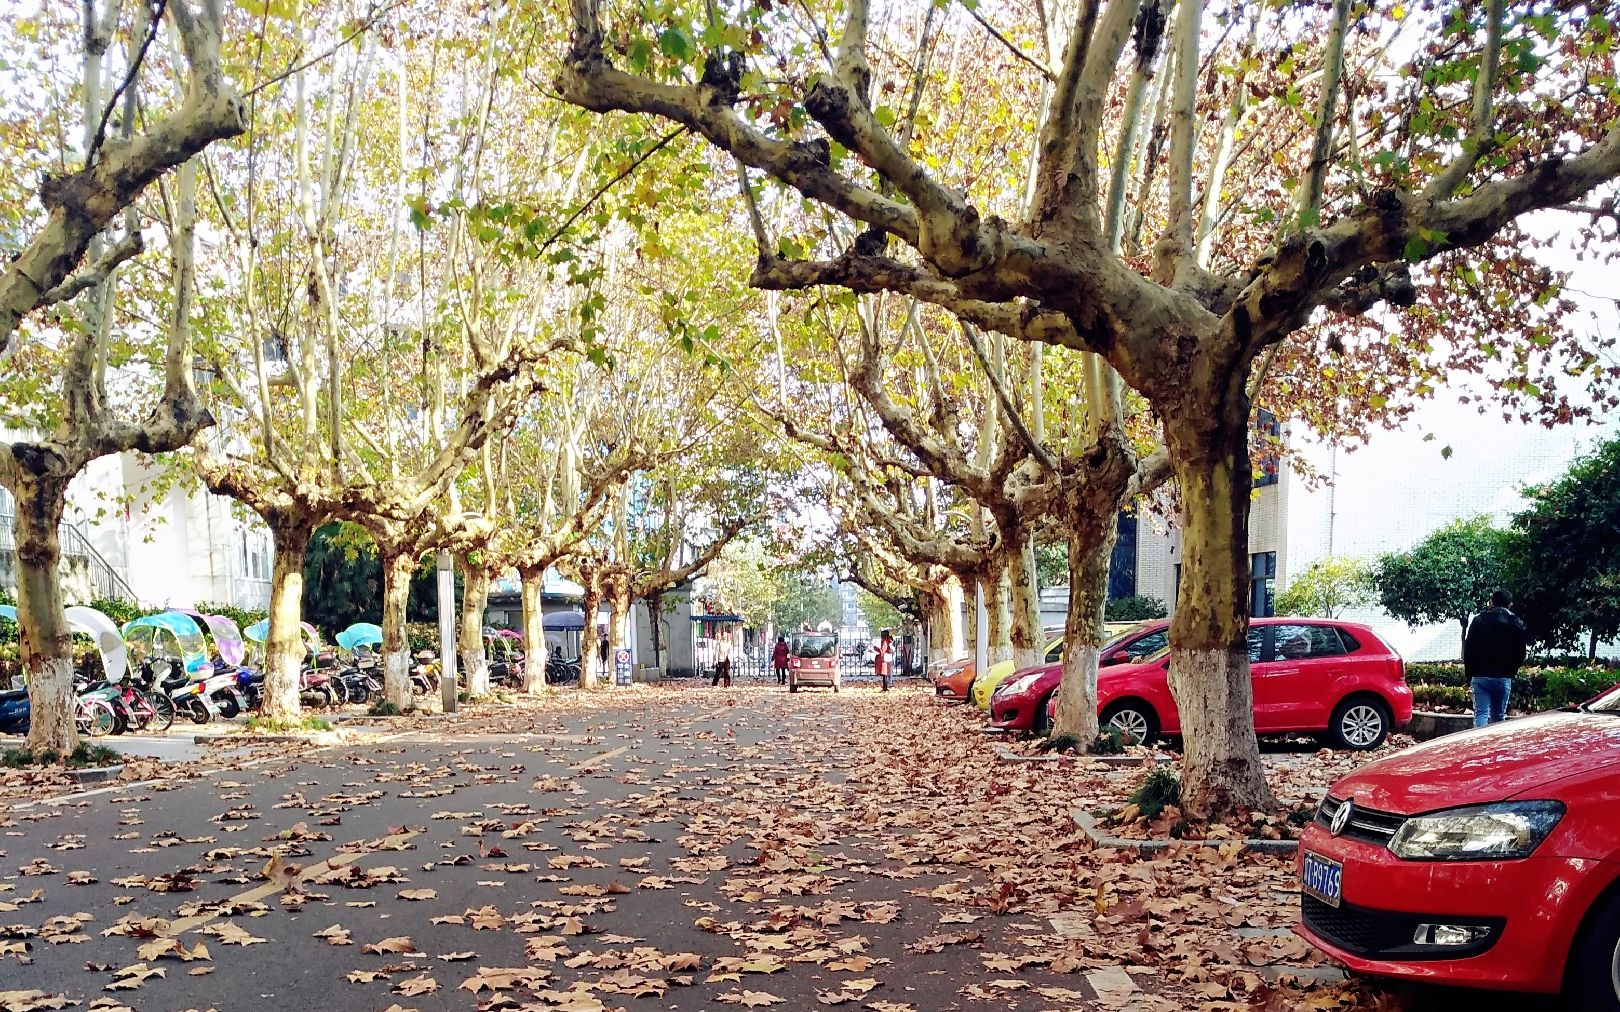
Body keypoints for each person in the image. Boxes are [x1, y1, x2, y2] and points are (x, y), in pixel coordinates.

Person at [1463, 589, 1528, 727]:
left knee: (1481, 714)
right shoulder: (1516, 623)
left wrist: (1470, 674)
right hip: (1503, 677)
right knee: (1499, 716)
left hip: (1480, 675)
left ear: (1491, 602)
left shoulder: (1478, 620)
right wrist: (1511, 672)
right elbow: (1521, 653)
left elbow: (1469, 649)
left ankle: (1479, 745)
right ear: (1510, 605)